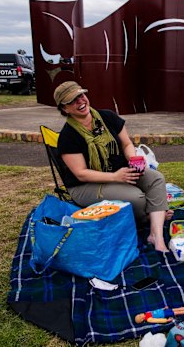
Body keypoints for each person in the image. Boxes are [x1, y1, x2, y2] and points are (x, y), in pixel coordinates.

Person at [55, 81, 171, 252]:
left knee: (156, 179)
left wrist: (133, 158)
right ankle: (152, 214)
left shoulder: (108, 117)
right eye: (72, 101)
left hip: (120, 173)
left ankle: (156, 236)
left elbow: (126, 144)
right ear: (65, 109)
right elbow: (81, 174)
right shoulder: (67, 137)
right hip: (86, 185)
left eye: (81, 96)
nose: (80, 101)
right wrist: (116, 177)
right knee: (137, 198)